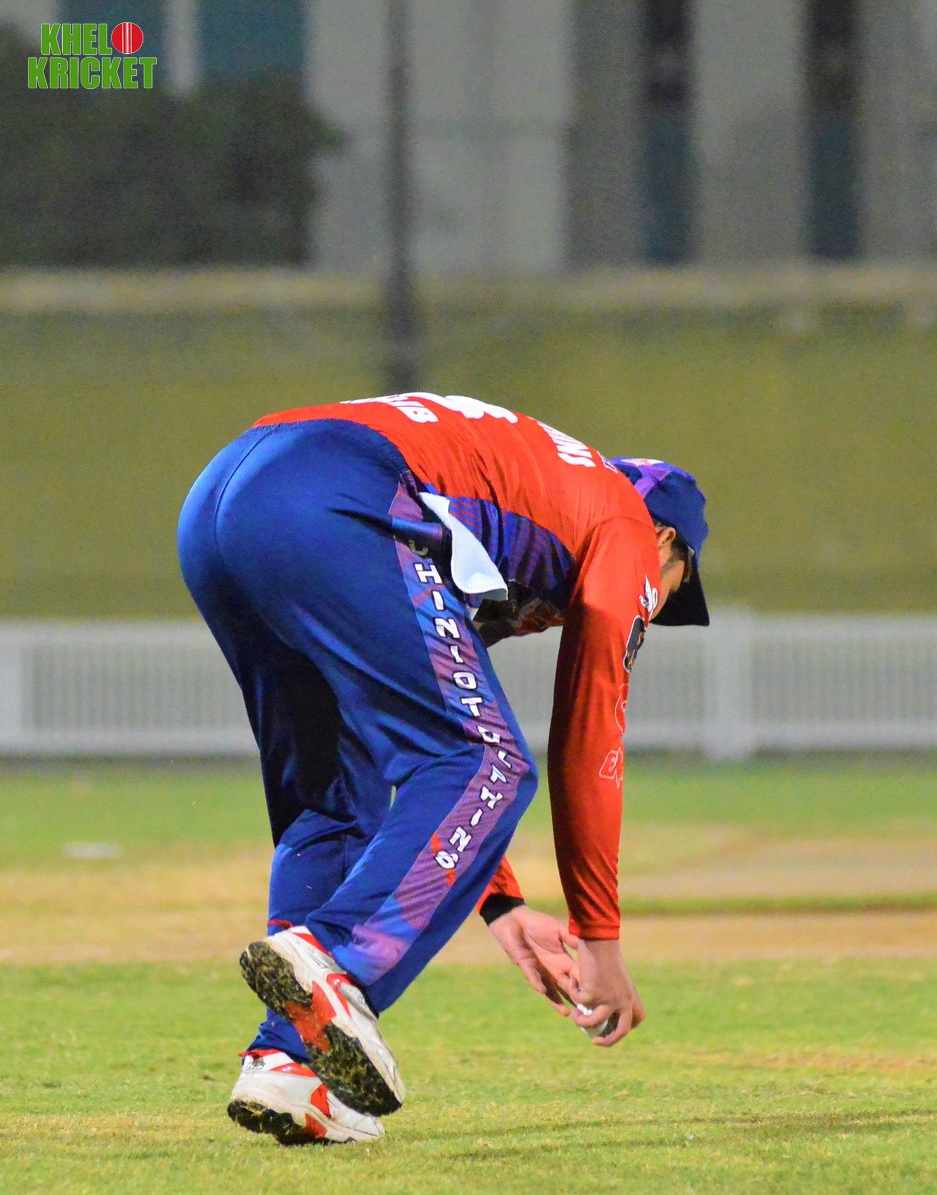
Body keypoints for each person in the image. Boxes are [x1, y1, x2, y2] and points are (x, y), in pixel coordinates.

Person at [177, 390, 710, 1144]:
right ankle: (336, 961)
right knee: (491, 760)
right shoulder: (624, 521)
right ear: (665, 539)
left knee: (336, 799)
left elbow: (420, 734)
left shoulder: (535, 494)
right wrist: (598, 936)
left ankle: (289, 1066)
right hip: (336, 491)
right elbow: (587, 740)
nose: (653, 609)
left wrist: (500, 902)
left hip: (224, 498)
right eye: (673, 587)